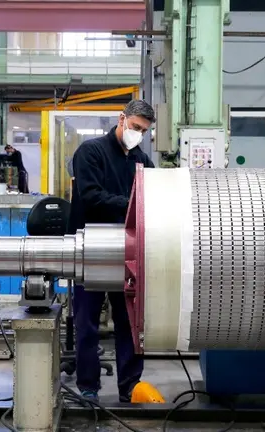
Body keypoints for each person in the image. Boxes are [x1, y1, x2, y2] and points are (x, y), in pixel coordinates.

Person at [69, 99, 156, 402]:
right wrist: (134, 205)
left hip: (129, 252)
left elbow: (153, 200)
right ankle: (88, 386)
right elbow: (92, 197)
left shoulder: (143, 162)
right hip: (90, 250)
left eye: (143, 131)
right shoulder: (90, 152)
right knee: (87, 323)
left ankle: (130, 387)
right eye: (135, 127)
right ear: (122, 119)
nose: (138, 134)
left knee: (130, 323)